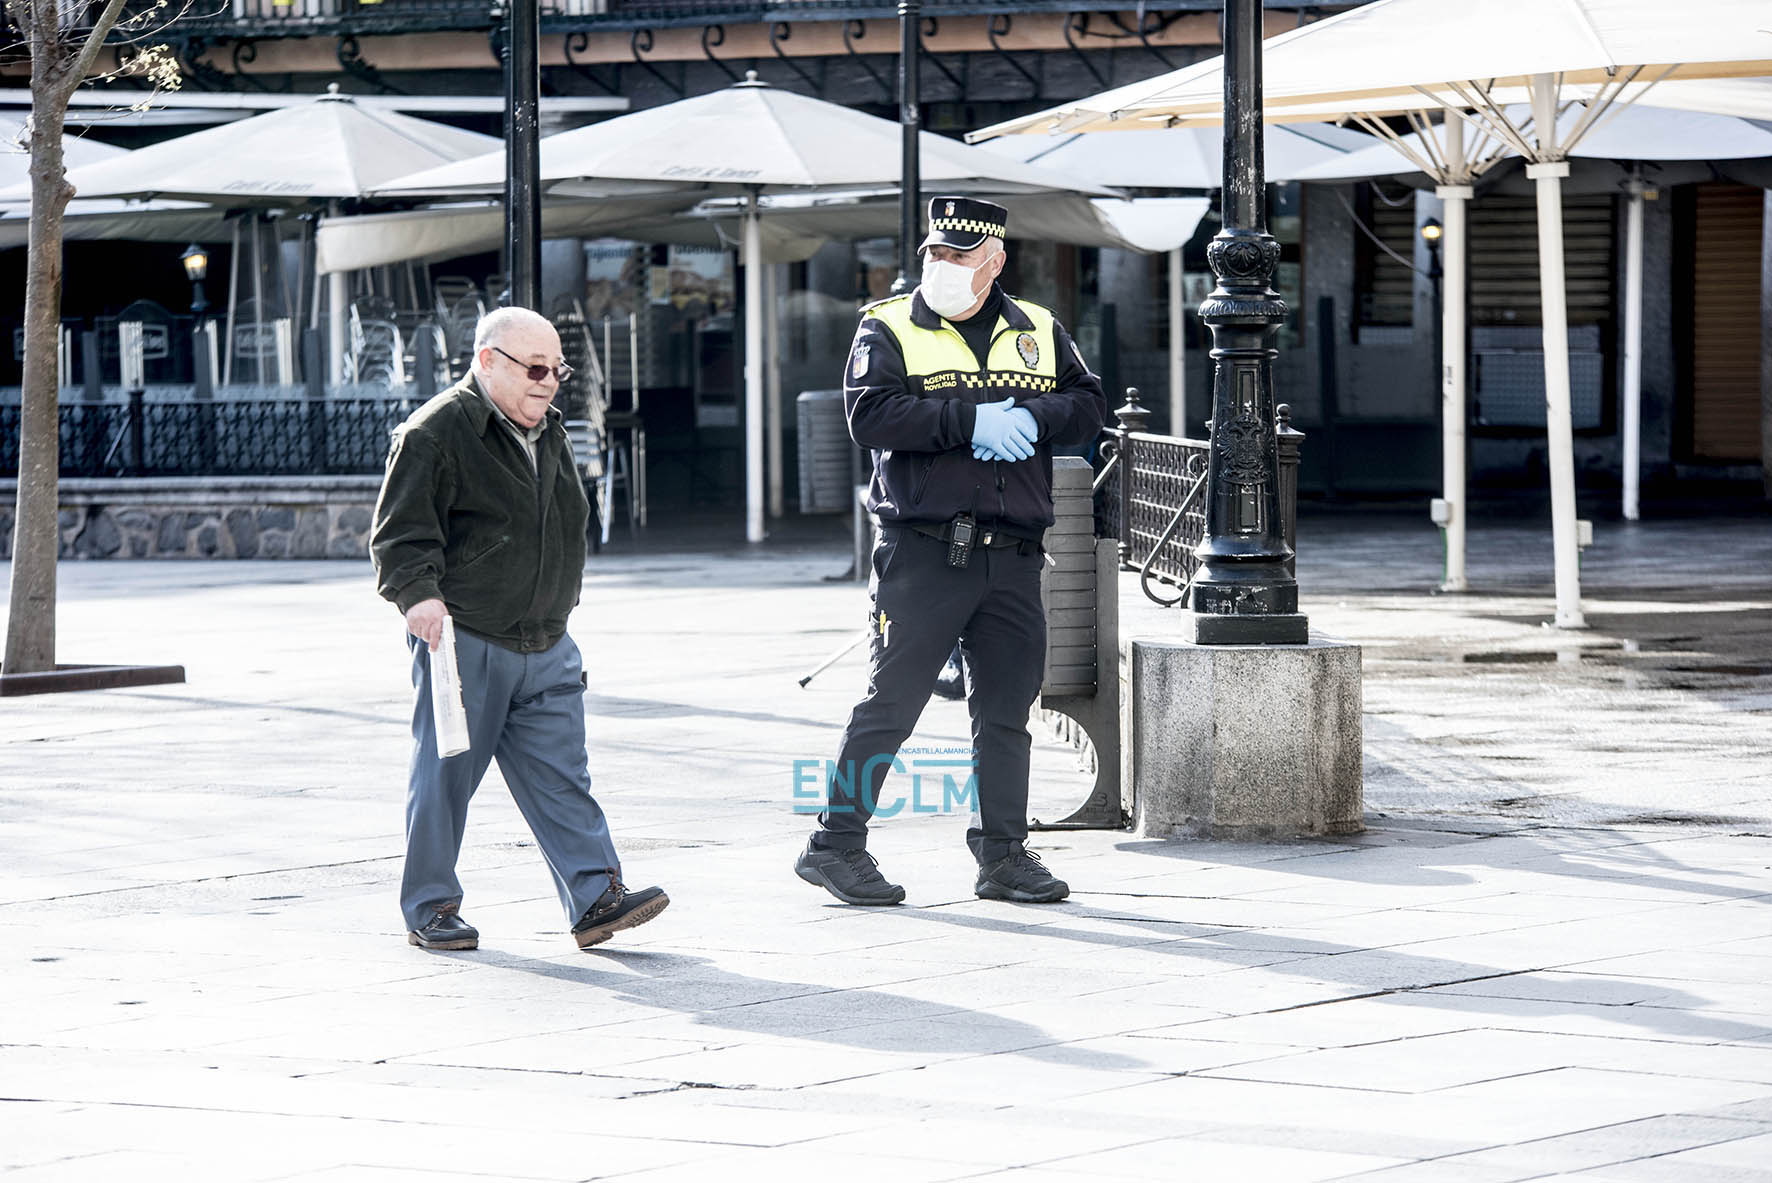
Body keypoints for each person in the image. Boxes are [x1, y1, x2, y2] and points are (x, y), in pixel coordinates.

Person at [794, 196, 1107, 907]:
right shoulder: (889, 324)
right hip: (925, 549)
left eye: (958, 256)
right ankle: (834, 844)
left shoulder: (1038, 328)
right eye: (934, 253)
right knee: (891, 702)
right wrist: (970, 422)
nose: (940, 264)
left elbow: (1088, 404)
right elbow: (868, 414)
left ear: (994, 262)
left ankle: (1003, 854)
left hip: (1014, 552)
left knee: (1005, 709)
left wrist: (1030, 414)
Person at [371, 305, 667, 952]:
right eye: (535, 368)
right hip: (468, 634)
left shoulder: (549, 427)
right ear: (487, 361)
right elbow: (399, 537)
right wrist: (418, 597)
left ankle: (595, 898)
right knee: (444, 777)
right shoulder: (433, 433)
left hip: (546, 636)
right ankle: (431, 905)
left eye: (556, 369)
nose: (548, 381)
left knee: (563, 774)